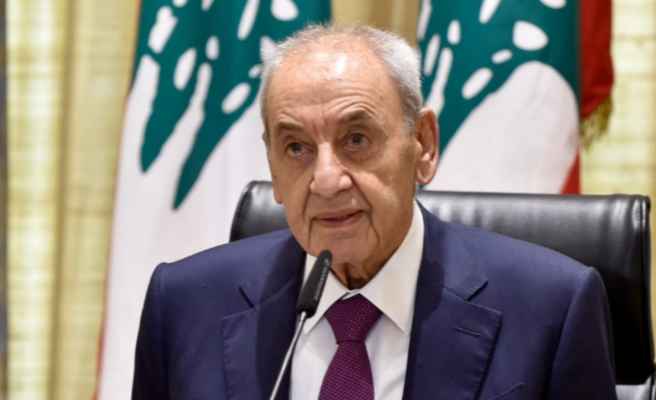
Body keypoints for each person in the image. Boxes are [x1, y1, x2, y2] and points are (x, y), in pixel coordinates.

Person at [132, 25, 617, 400]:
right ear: (272, 167)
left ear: (423, 144)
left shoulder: (551, 310)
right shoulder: (184, 305)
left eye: (356, 139)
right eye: (296, 147)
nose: (326, 180)